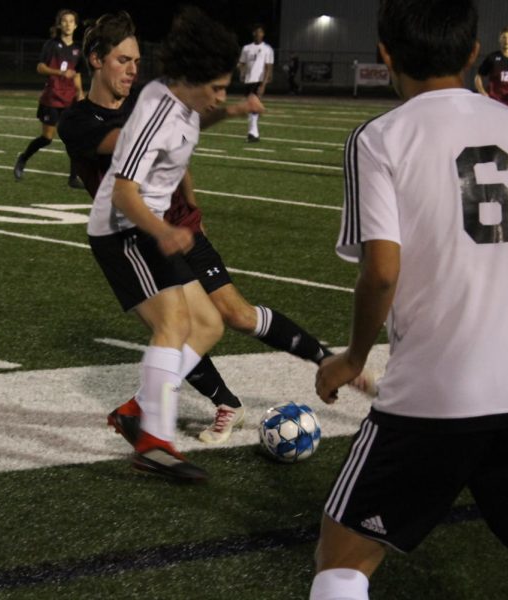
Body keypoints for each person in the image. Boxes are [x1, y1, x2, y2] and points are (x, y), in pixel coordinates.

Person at [311, 1, 508, 599]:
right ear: (474, 52)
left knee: (341, 560)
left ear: (385, 54)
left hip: (432, 395)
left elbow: (382, 273)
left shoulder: (381, 137)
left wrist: (353, 357)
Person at [58, 12, 376, 450]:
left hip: (179, 227)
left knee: (231, 316)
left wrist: (192, 198)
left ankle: (322, 359)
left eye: (136, 60)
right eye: (122, 60)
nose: (133, 69)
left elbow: (175, 148)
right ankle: (196, 411)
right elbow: (141, 147)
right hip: (139, 233)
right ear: (95, 59)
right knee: (186, 324)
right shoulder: (78, 121)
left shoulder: (145, 105)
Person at [79, 7, 253, 482]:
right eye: (216, 88)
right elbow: (122, 190)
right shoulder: (149, 110)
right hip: (123, 227)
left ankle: (138, 409)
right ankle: (154, 444)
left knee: (209, 323)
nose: (220, 95)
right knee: (173, 322)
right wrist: (166, 232)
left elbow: (185, 132)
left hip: (152, 224)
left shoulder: (178, 104)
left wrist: (230, 111)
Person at [13, 9, 85, 189]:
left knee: (74, 139)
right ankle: (23, 158)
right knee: (47, 138)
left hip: (70, 100)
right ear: (60, 24)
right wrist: (59, 72)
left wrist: (80, 93)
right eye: (64, 21)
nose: (68, 24)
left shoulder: (78, 49)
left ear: (75, 25)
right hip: (52, 97)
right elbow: (40, 68)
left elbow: (76, 74)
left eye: (71, 21)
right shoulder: (51, 45)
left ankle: (73, 178)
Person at [474, 26, 508, 110]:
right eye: (504, 37)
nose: (507, 41)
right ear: (500, 39)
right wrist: (482, 92)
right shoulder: (492, 58)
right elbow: (478, 76)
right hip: (494, 100)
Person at [238, 24, 274, 142]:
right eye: (256, 32)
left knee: (254, 106)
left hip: (259, 80)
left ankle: (253, 134)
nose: (258, 34)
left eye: (260, 32)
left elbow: (268, 67)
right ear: (253, 33)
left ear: (263, 34)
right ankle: (253, 133)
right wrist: (241, 71)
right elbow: (242, 63)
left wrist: (264, 84)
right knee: (250, 107)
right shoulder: (246, 48)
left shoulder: (267, 49)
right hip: (248, 80)